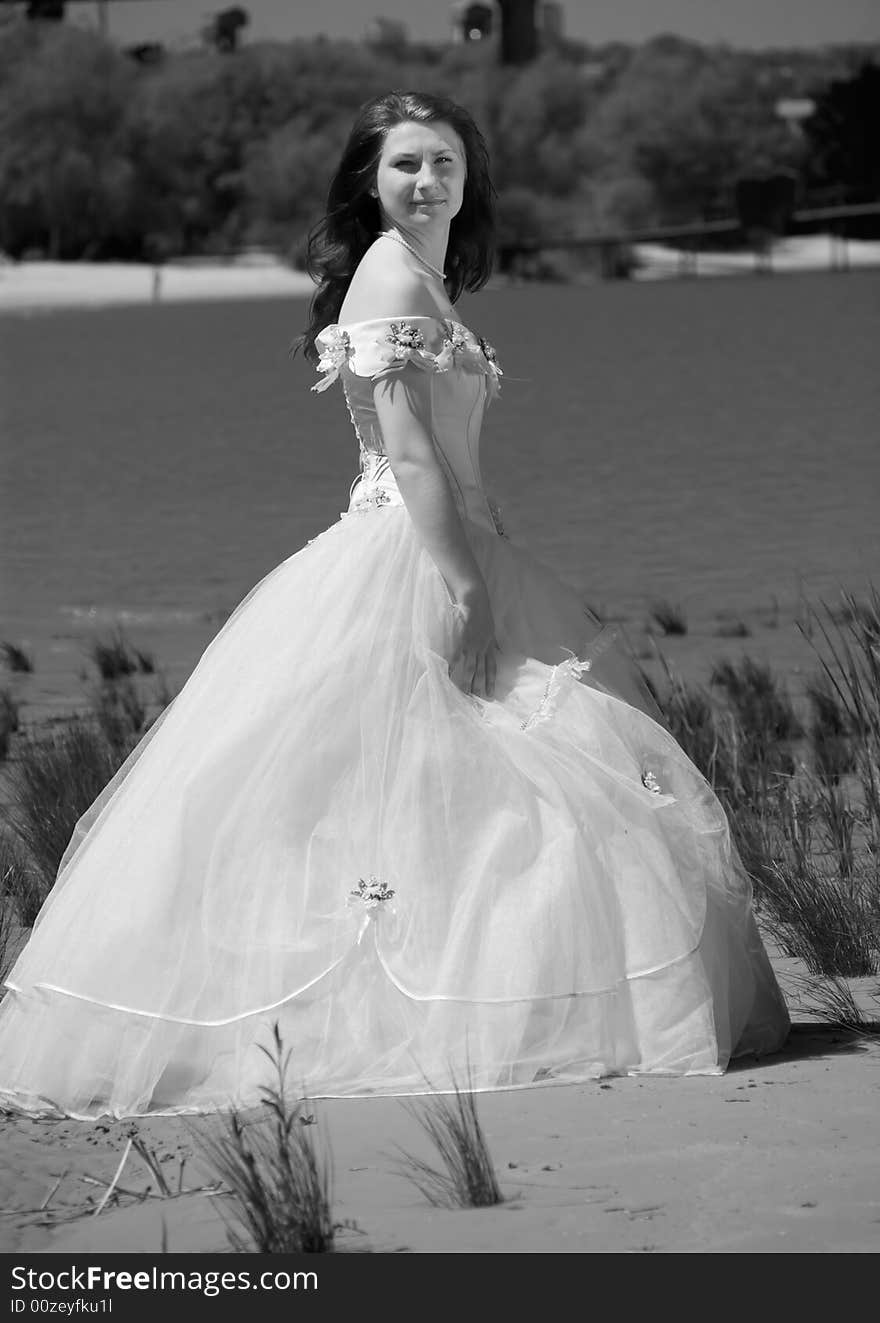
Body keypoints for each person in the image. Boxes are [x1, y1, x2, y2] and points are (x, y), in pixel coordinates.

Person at [0, 92, 789, 1120]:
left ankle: (476, 1009)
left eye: (447, 163)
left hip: (463, 541)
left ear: (471, 180)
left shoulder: (423, 277)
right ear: (370, 181)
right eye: (407, 164)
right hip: (410, 553)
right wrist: (462, 585)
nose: (428, 182)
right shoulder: (385, 267)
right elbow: (409, 449)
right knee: (454, 785)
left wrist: (482, 558)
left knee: (480, 793)